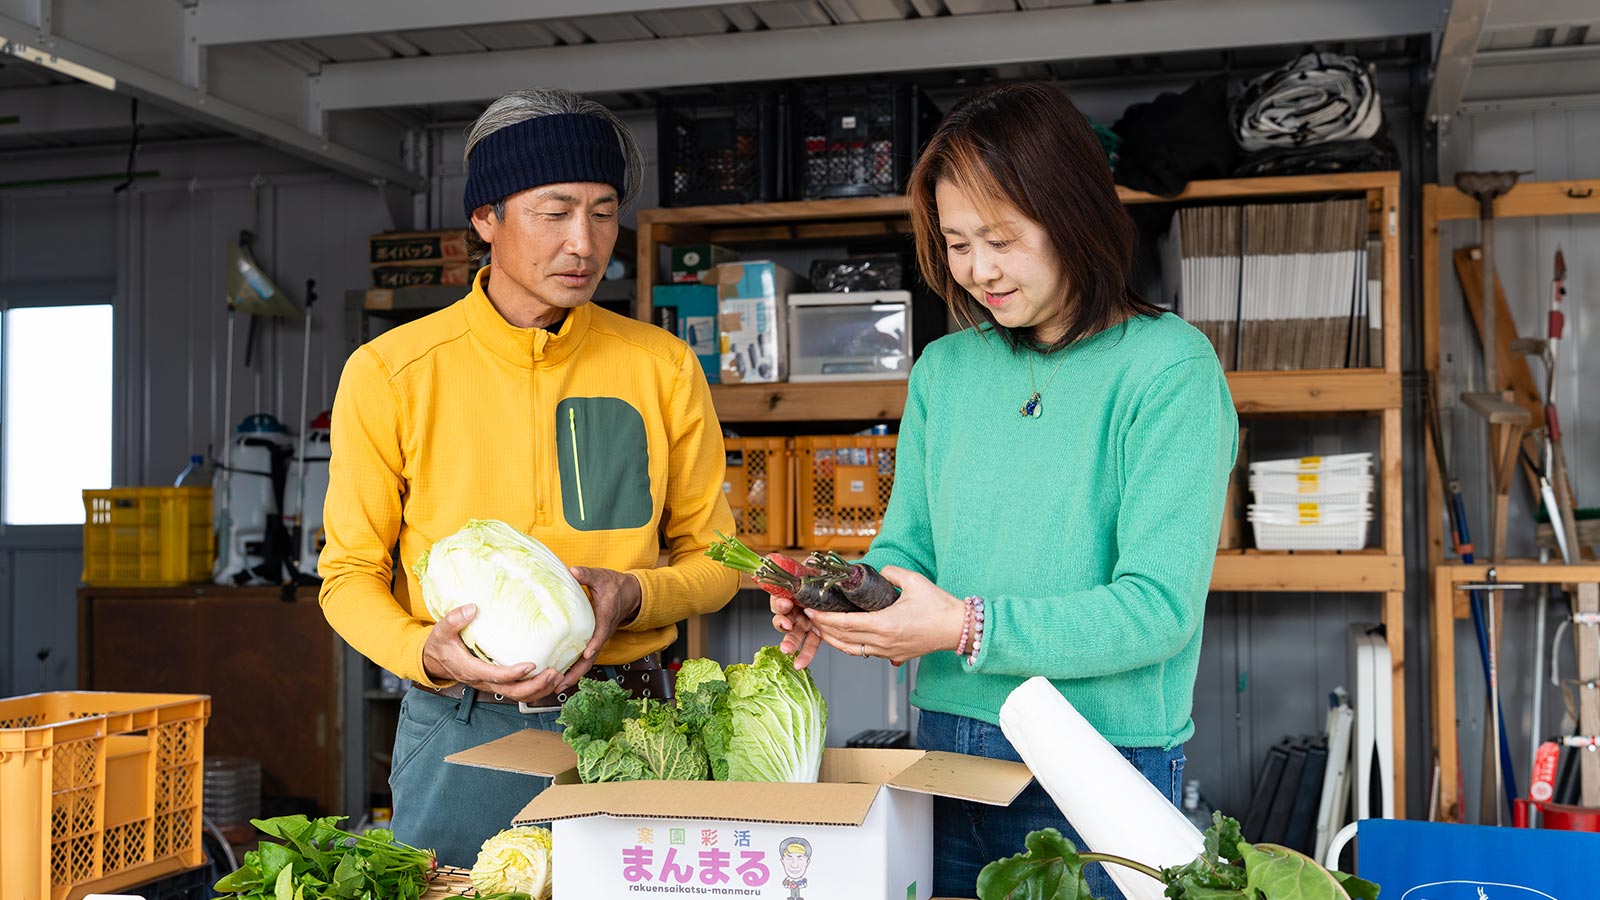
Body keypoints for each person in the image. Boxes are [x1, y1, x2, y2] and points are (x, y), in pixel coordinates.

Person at [770, 81, 1238, 899]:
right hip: (945, 753)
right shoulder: (946, 371)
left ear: (1074, 215)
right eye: (956, 243)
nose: (978, 269)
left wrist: (962, 625)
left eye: (1001, 239)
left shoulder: (1168, 369)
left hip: (1098, 761)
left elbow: (1158, 608)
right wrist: (845, 594)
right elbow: (907, 545)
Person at [320, 87, 739, 866]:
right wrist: (427, 653)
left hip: (636, 721)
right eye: (555, 211)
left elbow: (719, 561)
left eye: (604, 210)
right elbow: (346, 575)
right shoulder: (392, 372)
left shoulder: (662, 366)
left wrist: (636, 593)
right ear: (486, 218)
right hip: (464, 724)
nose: (585, 242)